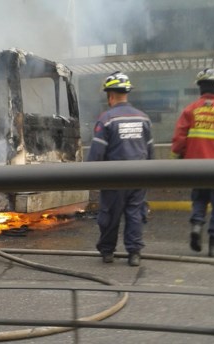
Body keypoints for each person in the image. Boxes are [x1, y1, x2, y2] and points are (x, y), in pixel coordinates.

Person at [87, 71, 154, 267]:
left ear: (110, 95)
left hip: (113, 178)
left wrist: (89, 177)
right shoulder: (144, 119)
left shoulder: (106, 119)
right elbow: (150, 151)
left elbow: (97, 153)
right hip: (139, 177)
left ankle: (108, 252)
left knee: (109, 215)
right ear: (126, 93)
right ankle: (134, 253)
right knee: (135, 214)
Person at [171, 68, 214, 257]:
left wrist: (177, 157)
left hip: (195, 168)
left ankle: (196, 227)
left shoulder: (190, 110)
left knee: (199, 200)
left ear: (200, 88)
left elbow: (179, 140)